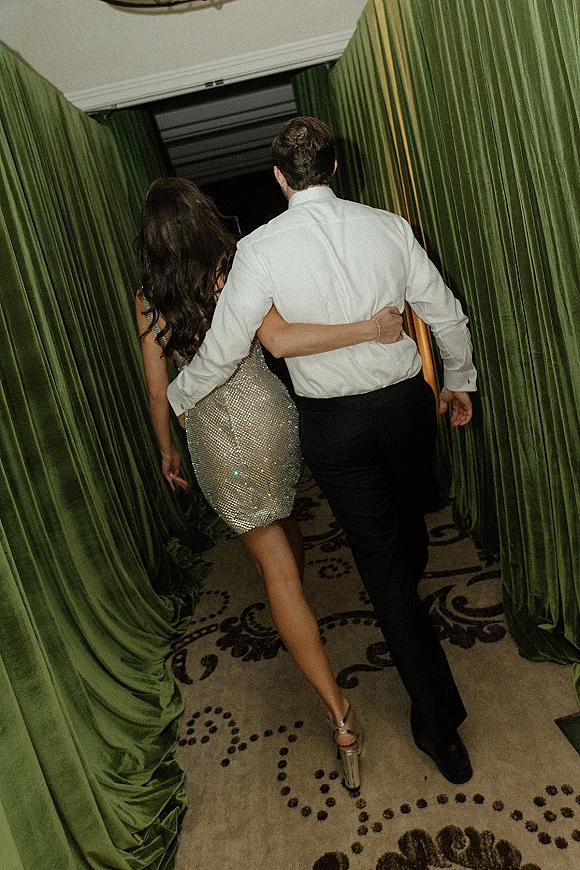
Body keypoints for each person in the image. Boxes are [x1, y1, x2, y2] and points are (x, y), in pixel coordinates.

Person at [166, 118, 479, 786]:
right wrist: (459, 381)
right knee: (392, 561)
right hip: (403, 406)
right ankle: (437, 722)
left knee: (397, 553)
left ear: (279, 178)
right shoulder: (389, 226)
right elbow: (446, 314)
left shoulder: (259, 249)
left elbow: (223, 349)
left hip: (337, 425)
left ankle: (409, 617)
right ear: (334, 167)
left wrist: (178, 393)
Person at [134, 176, 405, 790]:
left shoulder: (149, 298)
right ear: (204, 220)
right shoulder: (230, 270)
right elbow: (278, 341)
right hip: (272, 418)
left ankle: (339, 715)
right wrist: (366, 328)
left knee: (272, 569)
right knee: (285, 524)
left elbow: (158, 390)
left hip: (219, 440)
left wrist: (165, 451)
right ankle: (298, 604)